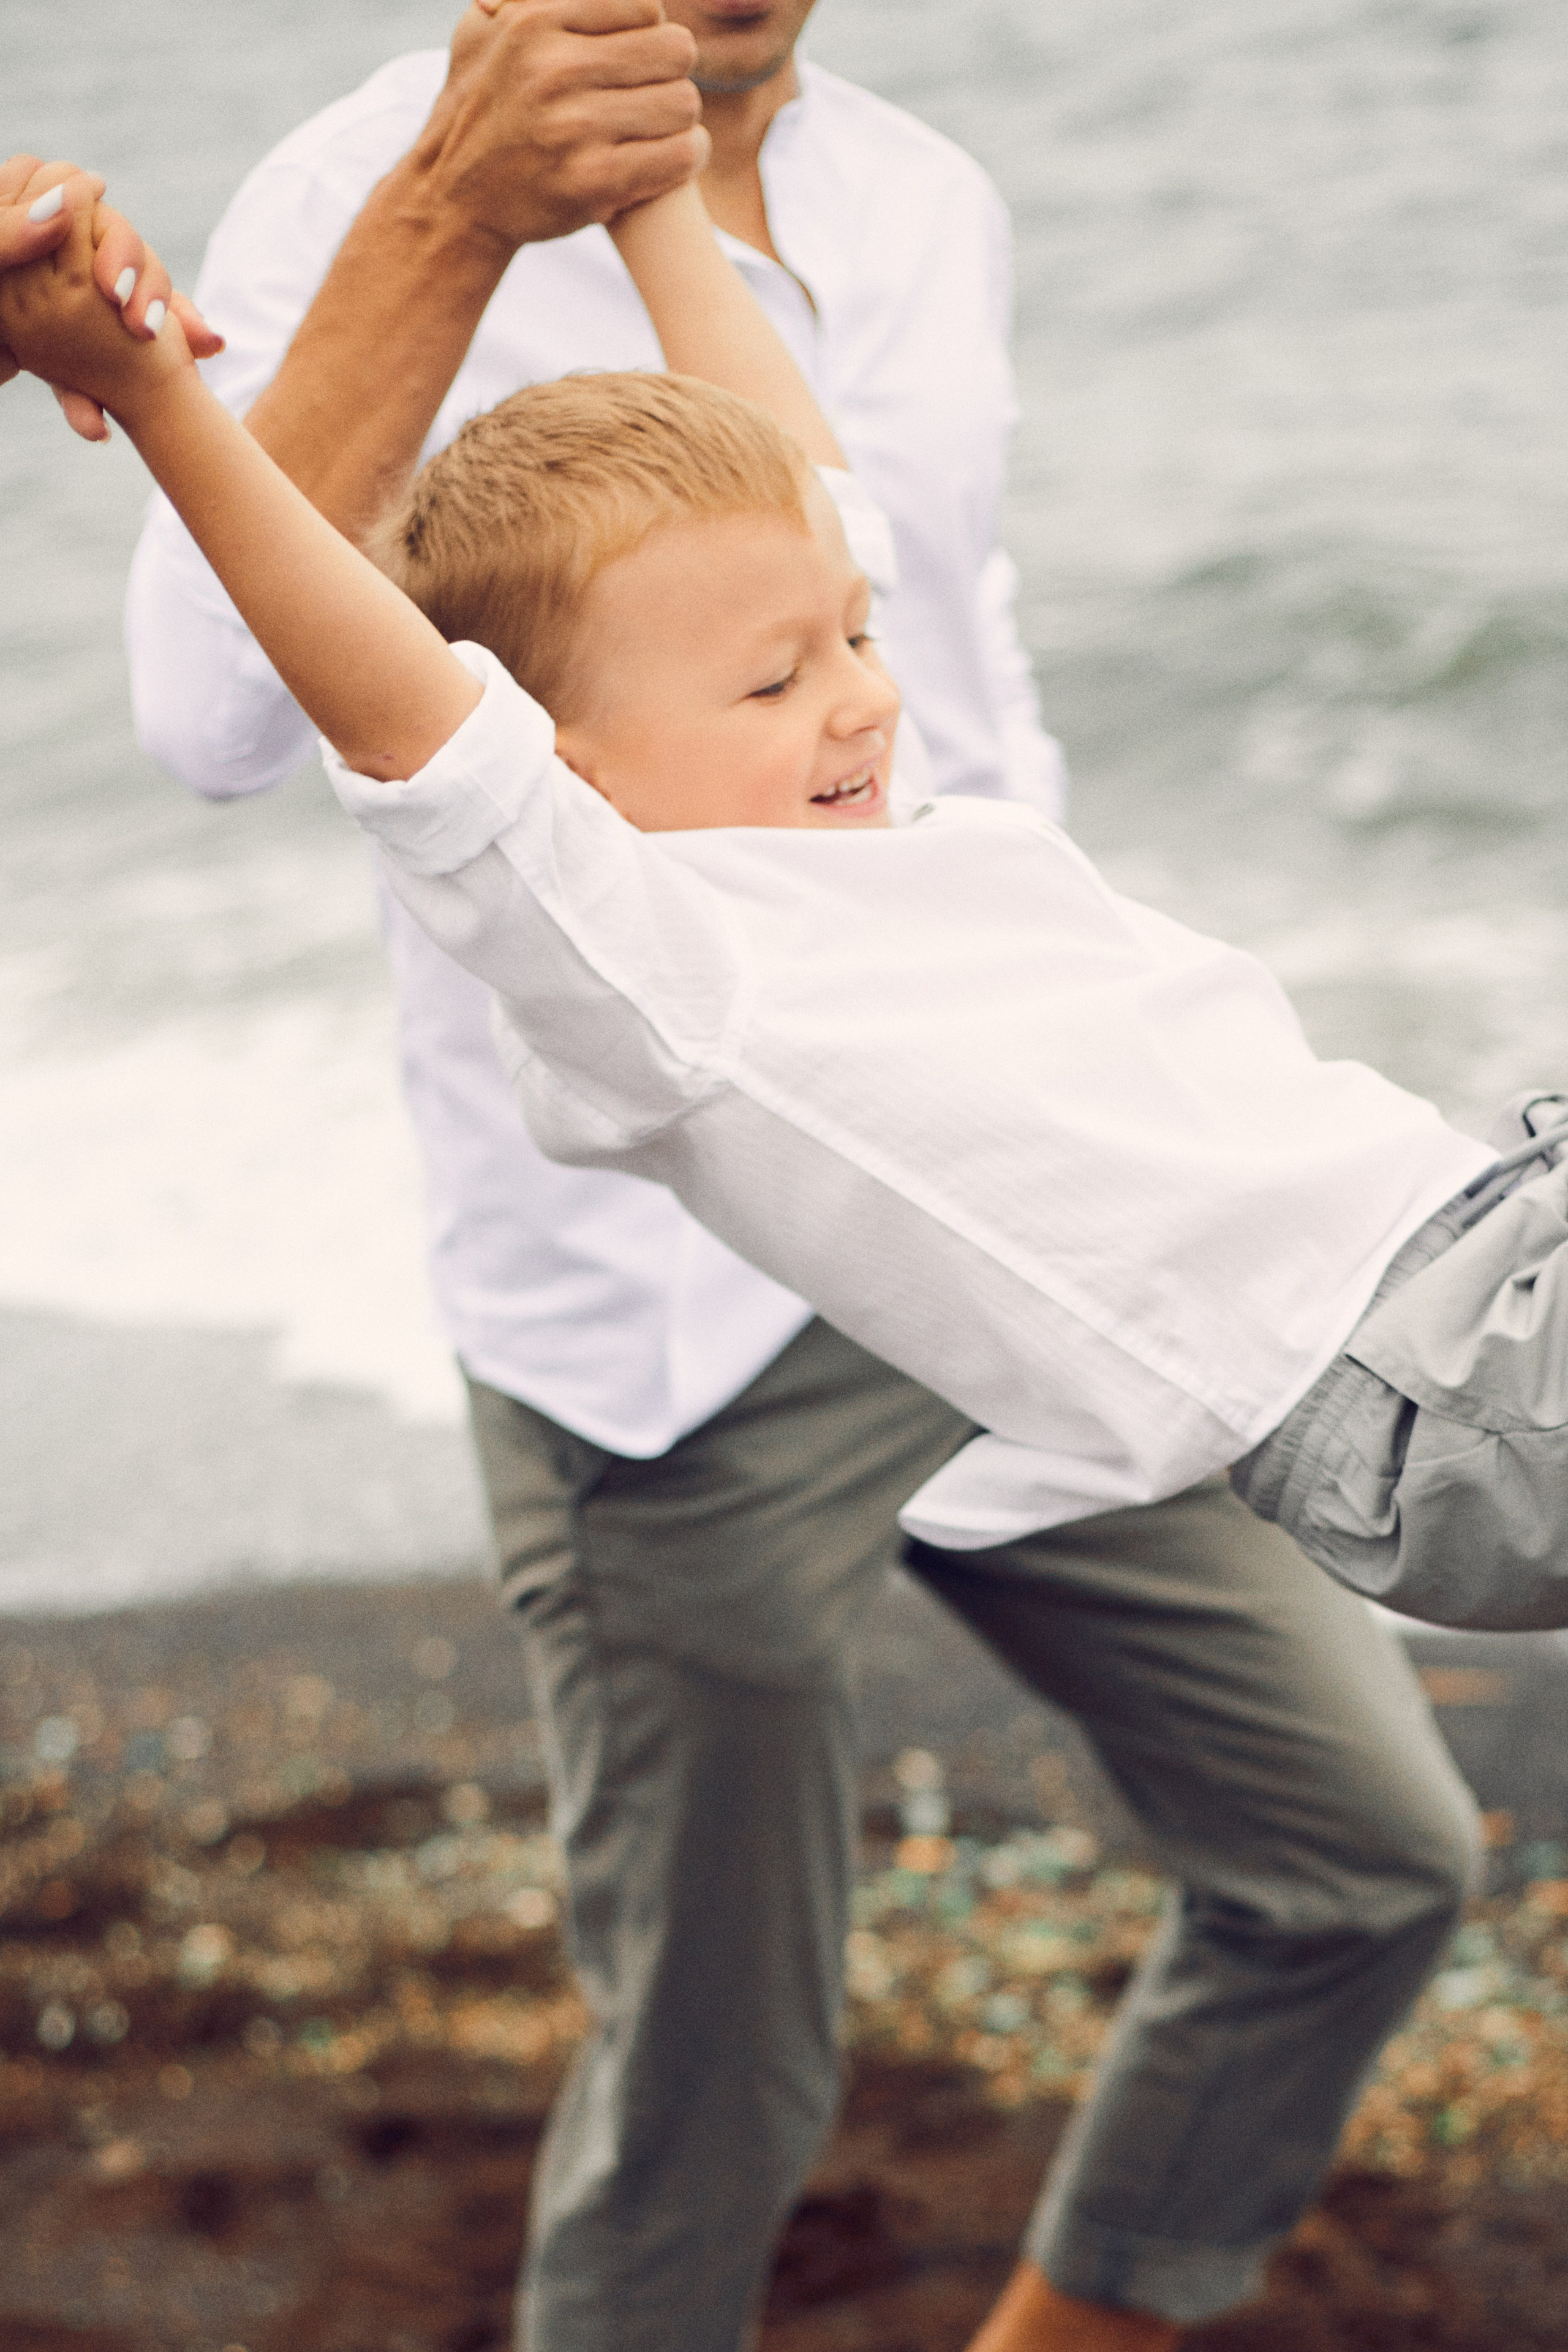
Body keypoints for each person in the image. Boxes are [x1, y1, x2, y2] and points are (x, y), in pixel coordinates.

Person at [8, 37, 1483, 2350]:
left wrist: (656, 204)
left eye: (848, 650)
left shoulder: (868, 699)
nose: (862, 696)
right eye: (791, 669)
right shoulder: (651, 953)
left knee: (1367, 1854)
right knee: (720, 2077)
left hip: (1292, 1278)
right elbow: (314, 710)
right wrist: (176, 367)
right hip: (830, 1369)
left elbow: (825, 524)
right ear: (566, 774)